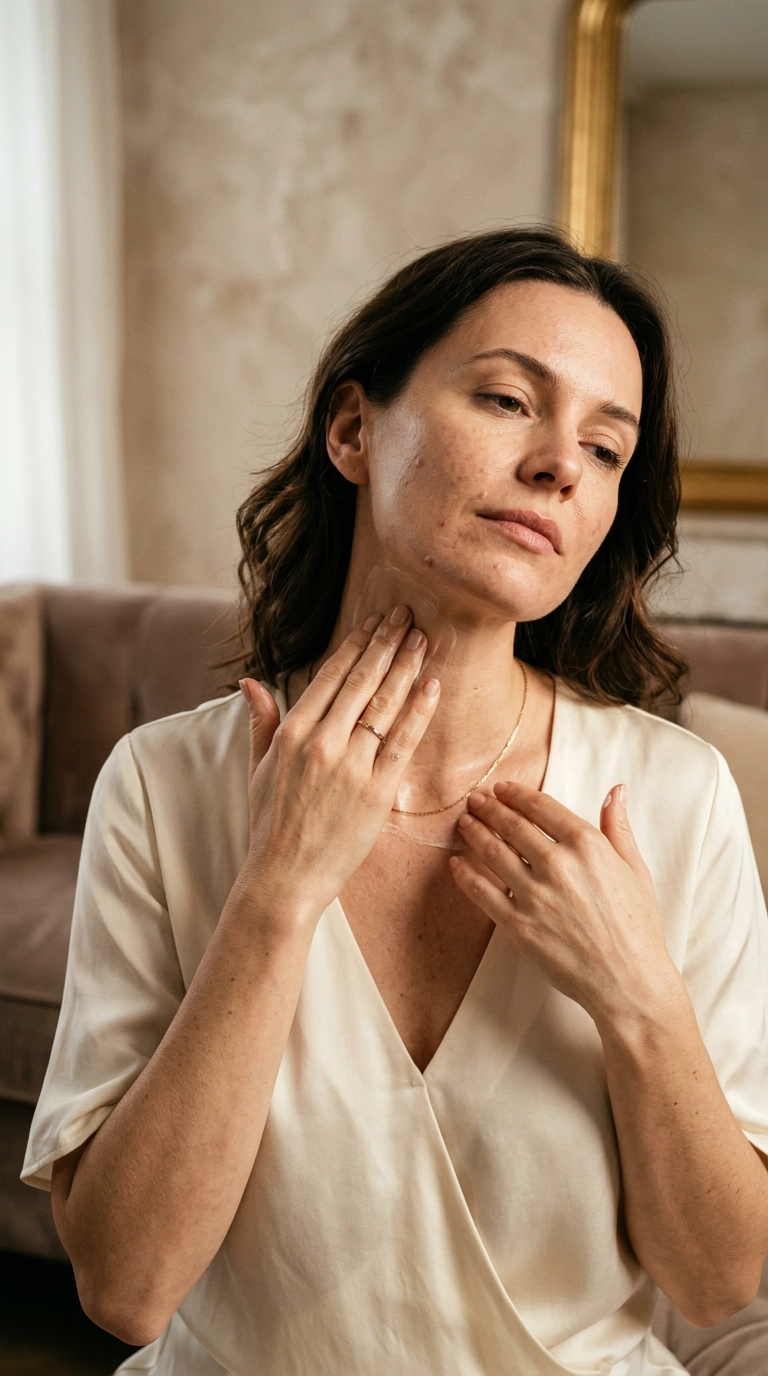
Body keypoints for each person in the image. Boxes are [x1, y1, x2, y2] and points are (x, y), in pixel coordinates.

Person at [23, 228, 768, 1376]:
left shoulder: (674, 795)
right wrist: (273, 894)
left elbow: (718, 1279)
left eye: (607, 446)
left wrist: (642, 1002)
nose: (562, 463)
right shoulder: (166, 785)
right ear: (355, 428)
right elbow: (126, 1289)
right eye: (511, 399)